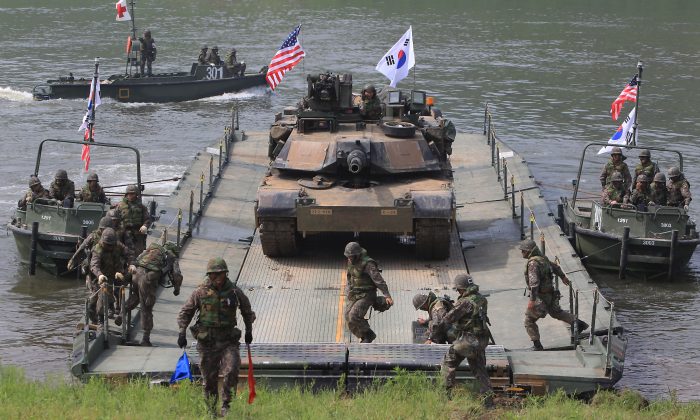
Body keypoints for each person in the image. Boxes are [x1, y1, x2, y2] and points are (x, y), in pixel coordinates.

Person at [176, 257, 255, 417]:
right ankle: (211, 410)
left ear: (225, 274)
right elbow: (186, 312)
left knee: (231, 370)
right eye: (212, 275)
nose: (216, 278)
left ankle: (226, 405)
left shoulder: (234, 292)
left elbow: (247, 311)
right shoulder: (200, 292)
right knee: (209, 380)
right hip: (208, 343)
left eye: (219, 274)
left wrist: (248, 331)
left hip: (228, 341)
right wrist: (182, 332)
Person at [434, 274, 493, 406]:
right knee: (480, 369)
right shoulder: (481, 298)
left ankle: (446, 397)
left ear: (462, 288)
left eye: (458, 289)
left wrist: (440, 308)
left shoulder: (465, 302)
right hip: (482, 340)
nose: (458, 292)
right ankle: (488, 401)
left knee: (448, 364)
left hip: (468, 341)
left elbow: (447, 319)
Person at [520, 239, 588, 351]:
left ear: (528, 251)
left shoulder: (533, 264)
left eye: (523, 250)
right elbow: (555, 267)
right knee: (556, 313)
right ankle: (578, 323)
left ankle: (537, 345)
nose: (522, 253)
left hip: (541, 297)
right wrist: (563, 277)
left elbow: (534, 284)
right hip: (551, 294)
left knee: (529, 320)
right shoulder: (543, 259)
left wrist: (532, 301)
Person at [122, 241, 182, 346]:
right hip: (148, 279)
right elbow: (177, 275)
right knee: (146, 308)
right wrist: (177, 289)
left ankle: (121, 313)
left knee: (136, 296)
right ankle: (146, 339)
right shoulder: (172, 257)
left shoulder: (153, 249)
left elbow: (138, 258)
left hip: (136, 275)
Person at [344, 241, 393, 343]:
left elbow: (378, 280)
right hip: (355, 293)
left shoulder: (368, 264)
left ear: (357, 255)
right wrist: (348, 290)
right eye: (348, 256)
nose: (349, 258)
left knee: (354, 315)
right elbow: (349, 276)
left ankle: (368, 334)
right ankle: (363, 336)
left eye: (351, 256)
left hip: (367, 294)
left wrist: (387, 295)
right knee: (347, 316)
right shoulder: (350, 261)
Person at [89, 228, 133, 324]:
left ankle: (101, 321)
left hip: (115, 273)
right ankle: (95, 320)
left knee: (103, 297)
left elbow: (129, 254)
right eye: (107, 245)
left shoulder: (118, 246)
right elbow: (94, 265)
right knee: (91, 304)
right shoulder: (97, 249)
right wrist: (100, 275)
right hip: (99, 277)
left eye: (111, 245)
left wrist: (131, 265)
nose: (109, 247)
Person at [67, 216, 113, 282]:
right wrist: (73, 260)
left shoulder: (112, 236)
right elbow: (82, 247)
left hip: (108, 262)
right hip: (94, 262)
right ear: (101, 229)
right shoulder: (93, 236)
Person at [117, 184, 152, 257]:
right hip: (124, 233)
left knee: (138, 253)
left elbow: (147, 219)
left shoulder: (141, 207)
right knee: (123, 252)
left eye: (132, 194)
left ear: (136, 195)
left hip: (137, 233)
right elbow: (114, 219)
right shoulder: (120, 206)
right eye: (129, 194)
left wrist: (145, 226)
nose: (130, 196)